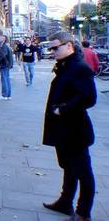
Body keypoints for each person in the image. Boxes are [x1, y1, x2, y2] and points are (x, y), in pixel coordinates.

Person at [42, 32, 96, 221]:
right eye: (51, 48)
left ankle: (83, 213)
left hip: (75, 131)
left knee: (83, 172)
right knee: (68, 167)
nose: (53, 51)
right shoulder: (66, 66)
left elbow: (89, 98)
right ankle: (65, 202)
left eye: (56, 47)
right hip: (63, 131)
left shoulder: (80, 68)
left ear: (69, 46)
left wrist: (62, 110)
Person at [0, 35, 13, 100]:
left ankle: (4, 95)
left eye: (0, 37)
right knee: (7, 79)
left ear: (3, 39)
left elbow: (2, 56)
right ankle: (8, 95)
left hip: (4, 65)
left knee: (4, 80)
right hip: (7, 65)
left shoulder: (3, 47)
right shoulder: (6, 46)